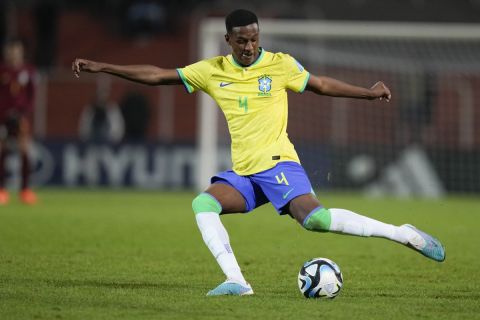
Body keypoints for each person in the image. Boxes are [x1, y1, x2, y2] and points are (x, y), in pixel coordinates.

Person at [72, 9, 445, 296]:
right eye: (241, 42)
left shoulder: (279, 64)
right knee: (204, 205)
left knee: (315, 221)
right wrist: (104, 67)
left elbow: (319, 84)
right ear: (227, 41)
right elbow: (156, 75)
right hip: (246, 172)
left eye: (253, 39)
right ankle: (237, 281)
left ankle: (403, 234)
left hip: (278, 161)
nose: (249, 47)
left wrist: (367, 91)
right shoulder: (212, 70)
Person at [0, 39, 37, 205]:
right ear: (7, 53)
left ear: (21, 53)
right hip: (2, 117)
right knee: (2, 150)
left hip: (21, 117)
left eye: (17, 52)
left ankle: (25, 190)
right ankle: (1, 190)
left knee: (24, 150)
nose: (14, 55)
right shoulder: (2, 70)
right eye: (11, 52)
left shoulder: (28, 71)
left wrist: (24, 113)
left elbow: (31, 96)